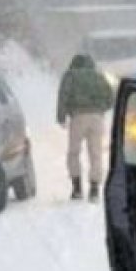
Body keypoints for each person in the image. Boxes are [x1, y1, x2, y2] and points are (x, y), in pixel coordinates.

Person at [56, 53, 114, 201]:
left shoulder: (70, 75)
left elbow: (63, 95)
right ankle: (94, 188)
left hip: (78, 117)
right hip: (97, 118)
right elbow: (111, 97)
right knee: (96, 153)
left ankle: (77, 188)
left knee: (74, 152)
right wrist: (101, 109)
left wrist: (61, 116)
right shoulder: (99, 76)